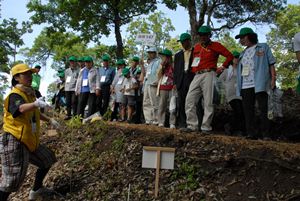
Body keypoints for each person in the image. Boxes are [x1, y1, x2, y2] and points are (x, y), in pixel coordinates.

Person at [1, 64, 59, 201]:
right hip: (14, 140)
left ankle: (37, 190)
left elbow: (34, 112)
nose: (29, 76)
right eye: (25, 74)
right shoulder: (14, 94)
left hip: (29, 139)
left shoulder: (29, 94)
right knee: (12, 180)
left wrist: (50, 120)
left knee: (47, 159)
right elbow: (20, 108)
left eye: (30, 74)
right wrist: (35, 104)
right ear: (16, 77)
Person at [181, 25, 233, 133]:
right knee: (189, 99)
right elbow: (193, 63)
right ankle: (192, 125)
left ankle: (206, 127)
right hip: (197, 75)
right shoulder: (197, 47)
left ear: (209, 35)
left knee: (208, 101)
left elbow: (229, 56)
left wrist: (223, 67)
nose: (202, 37)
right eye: (200, 35)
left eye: (205, 35)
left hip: (209, 73)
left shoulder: (216, 45)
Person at [235, 27, 276, 139]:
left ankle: (266, 134)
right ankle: (251, 133)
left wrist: (273, 79)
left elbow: (271, 63)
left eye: (243, 37)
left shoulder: (263, 47)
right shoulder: (242, 53)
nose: (241, 40)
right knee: (248, 110)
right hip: (245, 85)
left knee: (263, 109)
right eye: (240, 38)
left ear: (250, 36)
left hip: (260, 83)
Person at [218, 51, 245, 135]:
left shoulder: (242, 70)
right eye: (235, 57)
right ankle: (232, 128)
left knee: (241, 112)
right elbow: (219, 81)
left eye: (238, 58)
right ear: (231, 59)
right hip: (231, 94)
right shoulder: (227, 70)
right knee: (238, 110)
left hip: (239, 94)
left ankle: (232, 128)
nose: (237, 59)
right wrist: (226, 86)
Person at [173, 33, 196, 129]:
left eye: (184, 42)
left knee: (192, 102)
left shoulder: (196, 52)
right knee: (181, 102)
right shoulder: (178, 55)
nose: (183, 44)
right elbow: (176, 70)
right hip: (181, 81)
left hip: (192, 79)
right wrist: (175, 82)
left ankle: (194, 123)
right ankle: (183, 123)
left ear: (189, 41)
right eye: (181, 42)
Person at [157, 49, 176, 128]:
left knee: (172, 106)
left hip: (172, 87)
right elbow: (158, 76)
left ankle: (172, 123)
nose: (163, 58)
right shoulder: (161, 65)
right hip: (163, 87)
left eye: (164, 56)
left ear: (168, 57)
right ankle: (161, 122)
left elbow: (177, 75)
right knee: (162, 105)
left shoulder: (174, 65)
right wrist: (162, 67)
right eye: (162, 56)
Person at [143, 47, 161, 125]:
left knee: (154, 101)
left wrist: (157, 81)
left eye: (151, 52)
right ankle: (148, 119)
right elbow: (146, 73)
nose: (150, 54)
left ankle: (156, 119)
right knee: (146, 101)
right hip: (147, 81)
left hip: (153, 81)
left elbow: (159, 72)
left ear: (155, 53)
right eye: (149, 53)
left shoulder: (159, 61)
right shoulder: (149, 63)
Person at [64, 56, 79, 120]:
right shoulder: (67, 71)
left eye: (73, 61)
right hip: (67, 88)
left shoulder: (78, 70)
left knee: (74, 102)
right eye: (71, 61)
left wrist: (77, 89)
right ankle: (68, 115)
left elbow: (79, 80)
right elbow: (66, 79)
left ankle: (74, 115)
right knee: (68, 102)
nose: (72, 62)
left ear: (75, 62)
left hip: (74, 89)